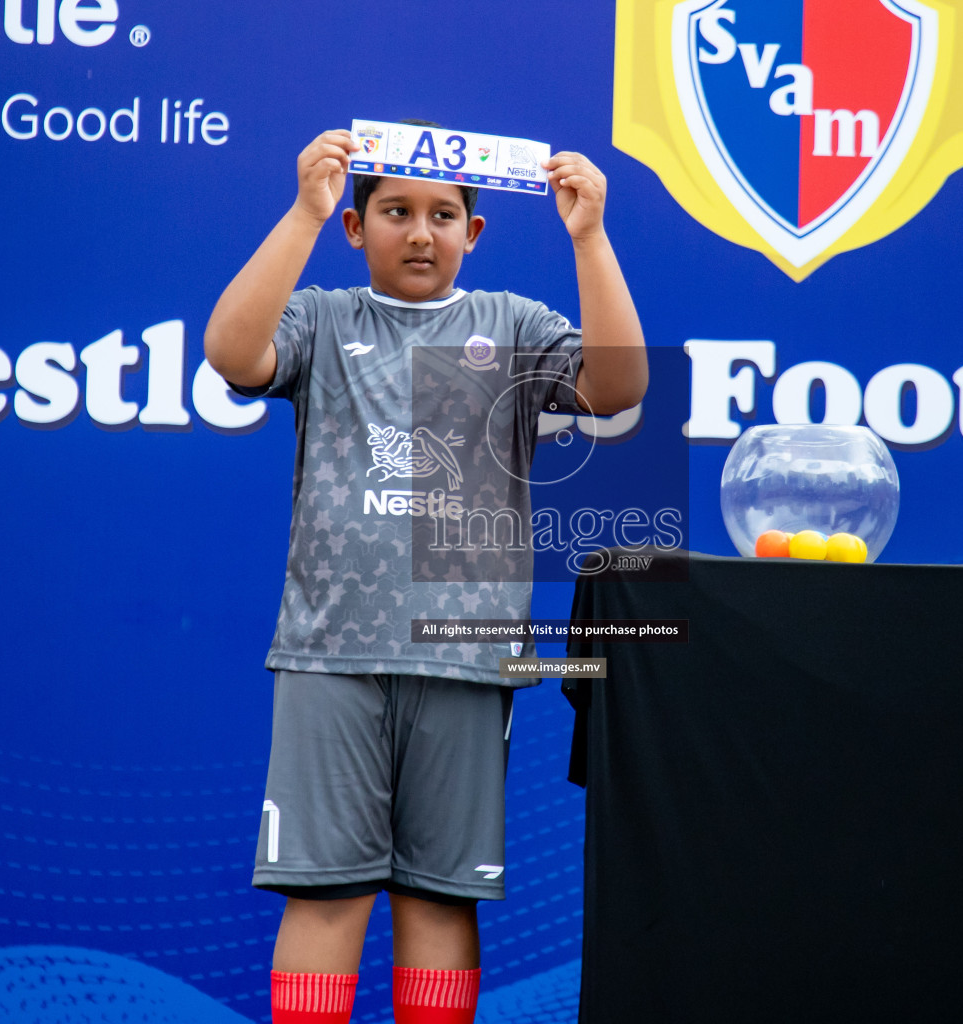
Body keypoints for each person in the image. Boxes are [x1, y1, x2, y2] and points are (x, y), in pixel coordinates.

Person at [203, 121, 646, 1024]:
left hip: (467, 658)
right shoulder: (324, 317)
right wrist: (302, 212)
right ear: (356, 228)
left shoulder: (512, 326)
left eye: (443, 214)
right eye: (395, 211)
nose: (420, 231)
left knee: (440, 896)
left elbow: (618, 387)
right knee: (325, 894)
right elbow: (230, 354)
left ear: (472, 233)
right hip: (332, 656)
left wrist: (590, 237)